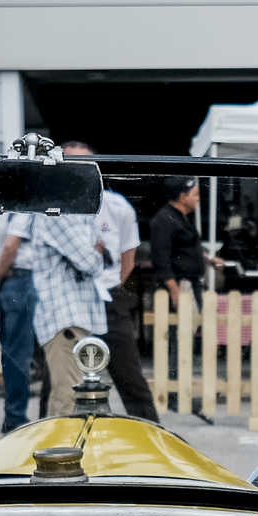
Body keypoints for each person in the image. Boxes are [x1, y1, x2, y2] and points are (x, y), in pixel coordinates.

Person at [60, 141, 158, 422]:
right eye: (71, 163)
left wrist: (110, 286)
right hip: (71, 300)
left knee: (130, 376)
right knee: (62, 377)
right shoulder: (55, 208)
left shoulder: (117, 207)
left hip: (109, 298)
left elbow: (128, 257)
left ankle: (151, 436)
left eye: (85, 163)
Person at [30, 203, 109, 419]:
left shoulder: (74, 213)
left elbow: (96, 251)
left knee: (67, 395)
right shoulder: (57, 214)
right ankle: (62, 450)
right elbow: (90, 261)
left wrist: (94, 251)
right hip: (65, 318)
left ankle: (60, 448)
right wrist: (94, 251)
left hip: (73, 317)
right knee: (70, 397)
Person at [147, 178, 219, 414]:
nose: (198, 199)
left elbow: (186, 248)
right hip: (180, 287)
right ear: (181, 195)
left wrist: (207, 259)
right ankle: (175, 394)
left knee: (187, 339)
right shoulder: (163, 220)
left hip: (191, 285)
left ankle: (182, 390)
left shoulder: (180, 218)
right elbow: (161, 258)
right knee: (179, 341)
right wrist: (174, 290)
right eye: (195, 194)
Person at [0, 207, 41, 432]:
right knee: (18, 352)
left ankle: (12, 414)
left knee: (10, 351)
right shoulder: (21, 208)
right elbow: (11, 245)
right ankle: (15, 418)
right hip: (16, 279)